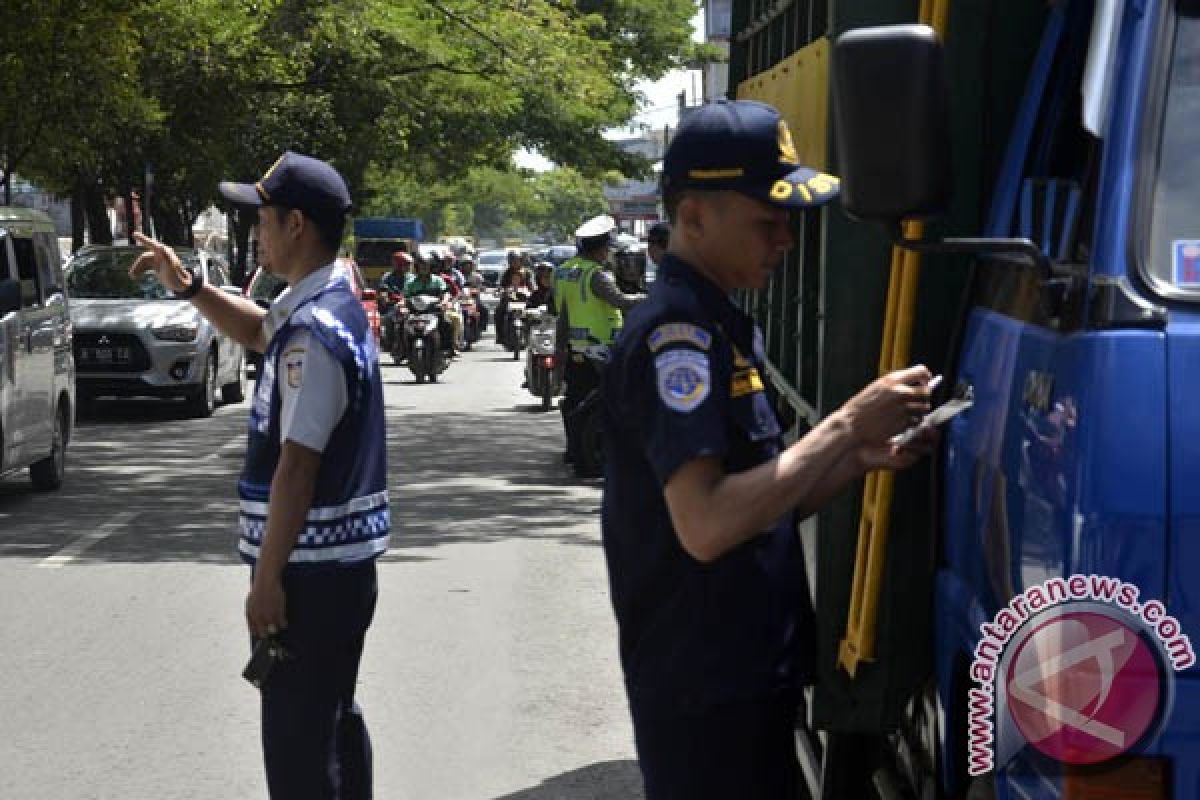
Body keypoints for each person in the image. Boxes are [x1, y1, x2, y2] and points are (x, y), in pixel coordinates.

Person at [600, 100, 938, 800]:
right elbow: (707, 524)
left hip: (743, 671)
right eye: (767, 219)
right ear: (693, 217)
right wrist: (845, 426)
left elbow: (758, 501)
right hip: (704, 685)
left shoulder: (720, 324)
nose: (785, 236)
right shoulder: (679, 338)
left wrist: (854, 460)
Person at [129, 151, 388, 800]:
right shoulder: (325, 304)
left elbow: (297, 469)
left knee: (300, 750)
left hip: (308, 575)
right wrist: (187, 285)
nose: (258, 233)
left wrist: (267, 579)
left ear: (296, 224)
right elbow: (259, 331)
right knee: (330, 724)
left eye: (263, 219)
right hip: (337, 569)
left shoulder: (314, 333)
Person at [553, 214, 643, 474]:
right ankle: (589, 457)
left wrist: (561, 350)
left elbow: (563, 315)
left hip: (575, 347)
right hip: (599, 347)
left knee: (575, 401)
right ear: (601, 248)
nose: (609, 254)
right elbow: (620, 302)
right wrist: (652, 298)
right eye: (607, 249)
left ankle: (574, 451)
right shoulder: (596, 275)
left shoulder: (564, 271)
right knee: (597, 404)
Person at [405, 254, 456, 354]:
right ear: (417, 267)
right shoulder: (411, 282)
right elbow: (405, 296)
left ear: (430, 267)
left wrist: (444, 302)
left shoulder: (438, 280)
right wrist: (402, 305)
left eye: (426, 265)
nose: (423, 268)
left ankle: (446, 349)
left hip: (434, 311)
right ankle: (404, 349)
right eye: (421, 265)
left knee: (447, 323)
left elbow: (445, 293)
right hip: (415, 312)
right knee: (401, 323)